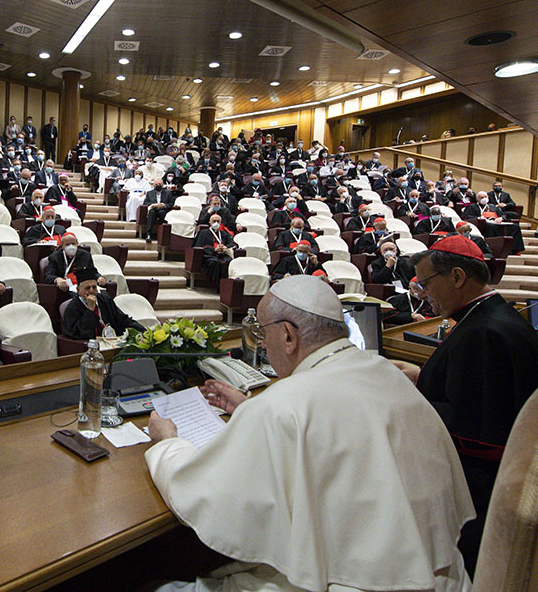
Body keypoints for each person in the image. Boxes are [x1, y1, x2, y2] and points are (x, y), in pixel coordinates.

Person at [145, 275, 474, 591]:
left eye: (263, 331)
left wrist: (168, 443)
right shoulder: (387, 373)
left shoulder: (281, 404)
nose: (263, 341)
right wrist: (247, 408)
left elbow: (202, 493)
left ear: (288, 336)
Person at [409, 234, 538, 573]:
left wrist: (403, 400)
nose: (424, 294)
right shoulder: (491, 316)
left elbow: (474, 430)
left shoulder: (483, 332)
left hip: (481, 494)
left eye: (426, 283)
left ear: (456, 277)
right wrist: (420, 378)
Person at [62, 268, 145, 340]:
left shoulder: (105, 300)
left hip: (113, 340)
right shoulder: (72, 308)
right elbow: (81, 334)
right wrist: (90, 310)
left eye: (94, 287)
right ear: (78, 290)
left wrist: (144, 332)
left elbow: (123, 320)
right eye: (87, 288)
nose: (91, 291)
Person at [191, 213, 236, 288]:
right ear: (209, 222)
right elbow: (198, 246)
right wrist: (214, 249)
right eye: (214, 221)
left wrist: (225, 247)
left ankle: (225, 287)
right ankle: (215, 285)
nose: (216, 223)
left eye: (218, 221)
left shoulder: (224, 234)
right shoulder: (203, 233)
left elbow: (232, 243)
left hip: (223, 254)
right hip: (209, 255)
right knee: (214, 262)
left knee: (228, 262)